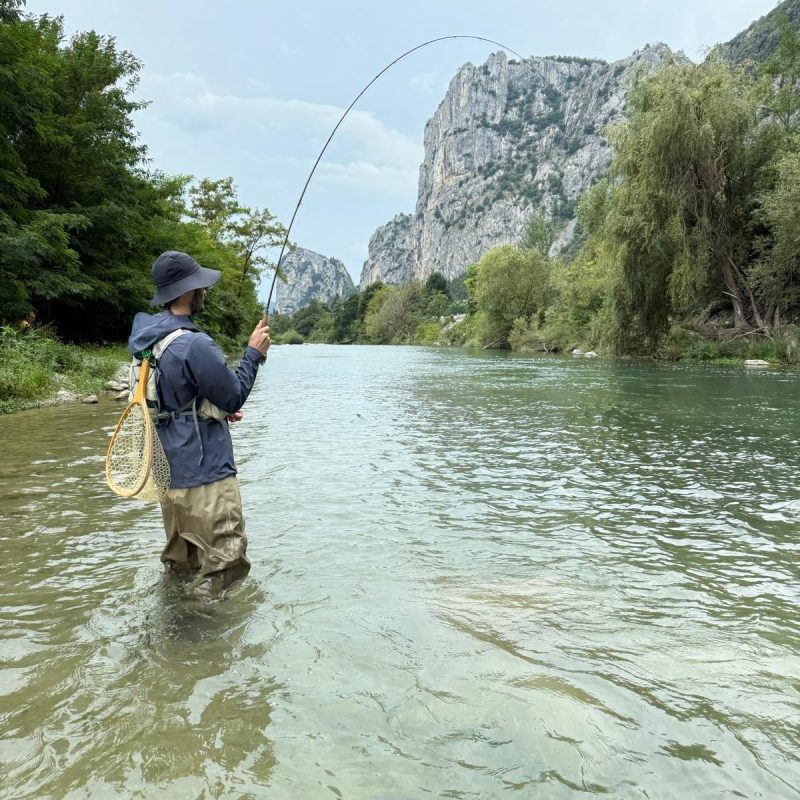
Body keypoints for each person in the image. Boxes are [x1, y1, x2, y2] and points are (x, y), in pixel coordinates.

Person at [128, 250, 271, 598]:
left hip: (168, 477)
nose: (204, 292)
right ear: (190, 293)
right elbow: (234, 396)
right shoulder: (193, 344)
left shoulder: (148, 342)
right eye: (201, 286)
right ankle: (200, 645)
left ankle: (168, 632)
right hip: (206, 478)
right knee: (227, 568)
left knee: (180, 566)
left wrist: (213, 408)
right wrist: (253, 353)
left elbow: (173, 397)